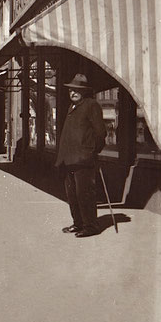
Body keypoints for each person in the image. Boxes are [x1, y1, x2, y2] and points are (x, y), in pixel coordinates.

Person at [56, 74, 106, 238]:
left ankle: (91, 226)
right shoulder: (71, 107)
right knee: (72, 194)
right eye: (71, 89)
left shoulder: (91, 105)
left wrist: (92, 151)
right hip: (68, 159)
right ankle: (78, 223)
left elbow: (100, 132)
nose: (73, 92)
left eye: (77, 90)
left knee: (84, 193)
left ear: (84, 91)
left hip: (83, 159)